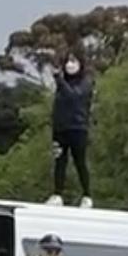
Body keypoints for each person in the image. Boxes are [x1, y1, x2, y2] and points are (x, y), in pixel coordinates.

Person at [47, 51, 94, 208]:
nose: (69, 65)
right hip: (61, 129)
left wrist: (59, 80)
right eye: (67, 61)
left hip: (78, 128)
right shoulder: (62, 83)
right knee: (59, 161)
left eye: (73, 61)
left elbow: (74, 96)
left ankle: (87, 195)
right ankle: (57, 194)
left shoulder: (86, 82)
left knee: (80, 162)